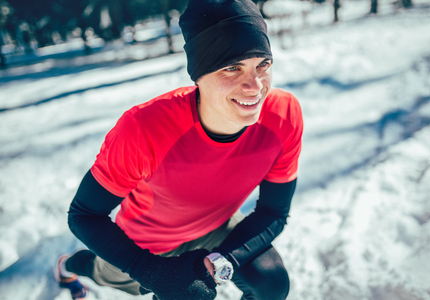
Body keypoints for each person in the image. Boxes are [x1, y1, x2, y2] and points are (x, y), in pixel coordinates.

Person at [55, 0, 303, 299]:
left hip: (216, 228)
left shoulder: (283, 115)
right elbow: (83, 215)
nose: (255, 86)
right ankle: (67, 267)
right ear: (199, 74)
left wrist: (223, 259)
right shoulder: (145, 128)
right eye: (232, 68)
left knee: (272, 284)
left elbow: (274, 211)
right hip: (146, 244)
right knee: (98, 270)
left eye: (262, 64)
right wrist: (153, 272)